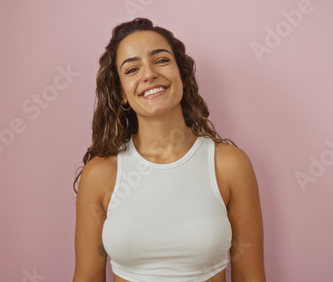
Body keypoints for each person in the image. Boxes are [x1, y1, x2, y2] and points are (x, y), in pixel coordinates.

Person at [73, 18, 265, 282]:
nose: (149, 74)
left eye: (161, 60)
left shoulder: (229, 165)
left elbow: (250, 277)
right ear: (121, 93)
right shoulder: (101, 173)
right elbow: (87, 277)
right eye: (131, 70)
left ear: (181, 75)